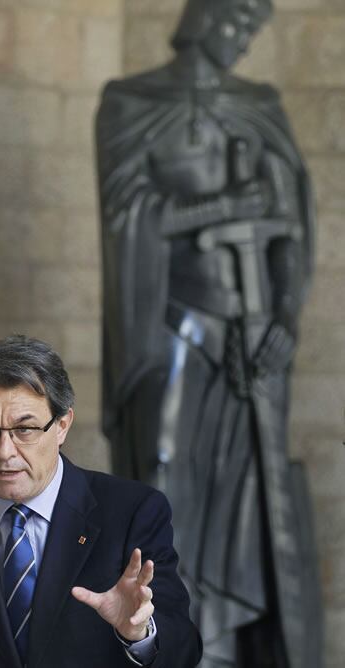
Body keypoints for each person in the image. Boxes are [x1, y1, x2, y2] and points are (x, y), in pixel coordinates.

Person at [96, 1, 321, 667]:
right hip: (174, 327)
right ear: (201, 17)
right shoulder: (132, 101)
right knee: (164, 481)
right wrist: (220, 207)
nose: (241, 41)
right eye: (234, 23)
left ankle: (230, 649)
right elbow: (127, 213)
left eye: (251, 32)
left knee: (247, 497)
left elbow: (292, 227)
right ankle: (163, 645)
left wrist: (283, 320)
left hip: (251, 338)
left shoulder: (260, 104)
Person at [0, 335, 202, 668]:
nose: (3, 451)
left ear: (62, 425)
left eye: (24, 429)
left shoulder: (133, 512)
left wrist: (141, 634)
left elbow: (185, 651)